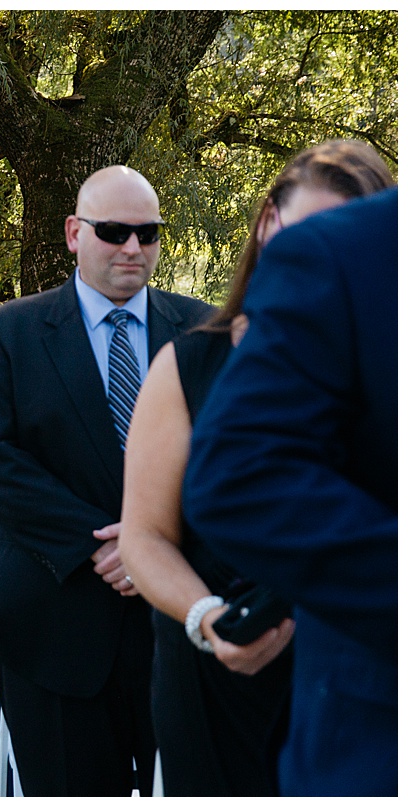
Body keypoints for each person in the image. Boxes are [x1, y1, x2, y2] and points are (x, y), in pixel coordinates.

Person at [117, 140, 394, 796]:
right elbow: (143, 534)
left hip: (353, 653)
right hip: (220, 663)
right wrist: (207, 617)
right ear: (268, 224)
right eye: (310, 234)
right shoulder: (187, 363)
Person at [0, 166, 213, 795]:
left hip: (178, 617)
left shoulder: (210, 333)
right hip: (55, 614)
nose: (133, 248)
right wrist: (101, 542)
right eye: (114, 231)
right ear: (75, 232)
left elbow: (232, 454)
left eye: (148, 234)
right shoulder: (7, 333)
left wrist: (156, 541)